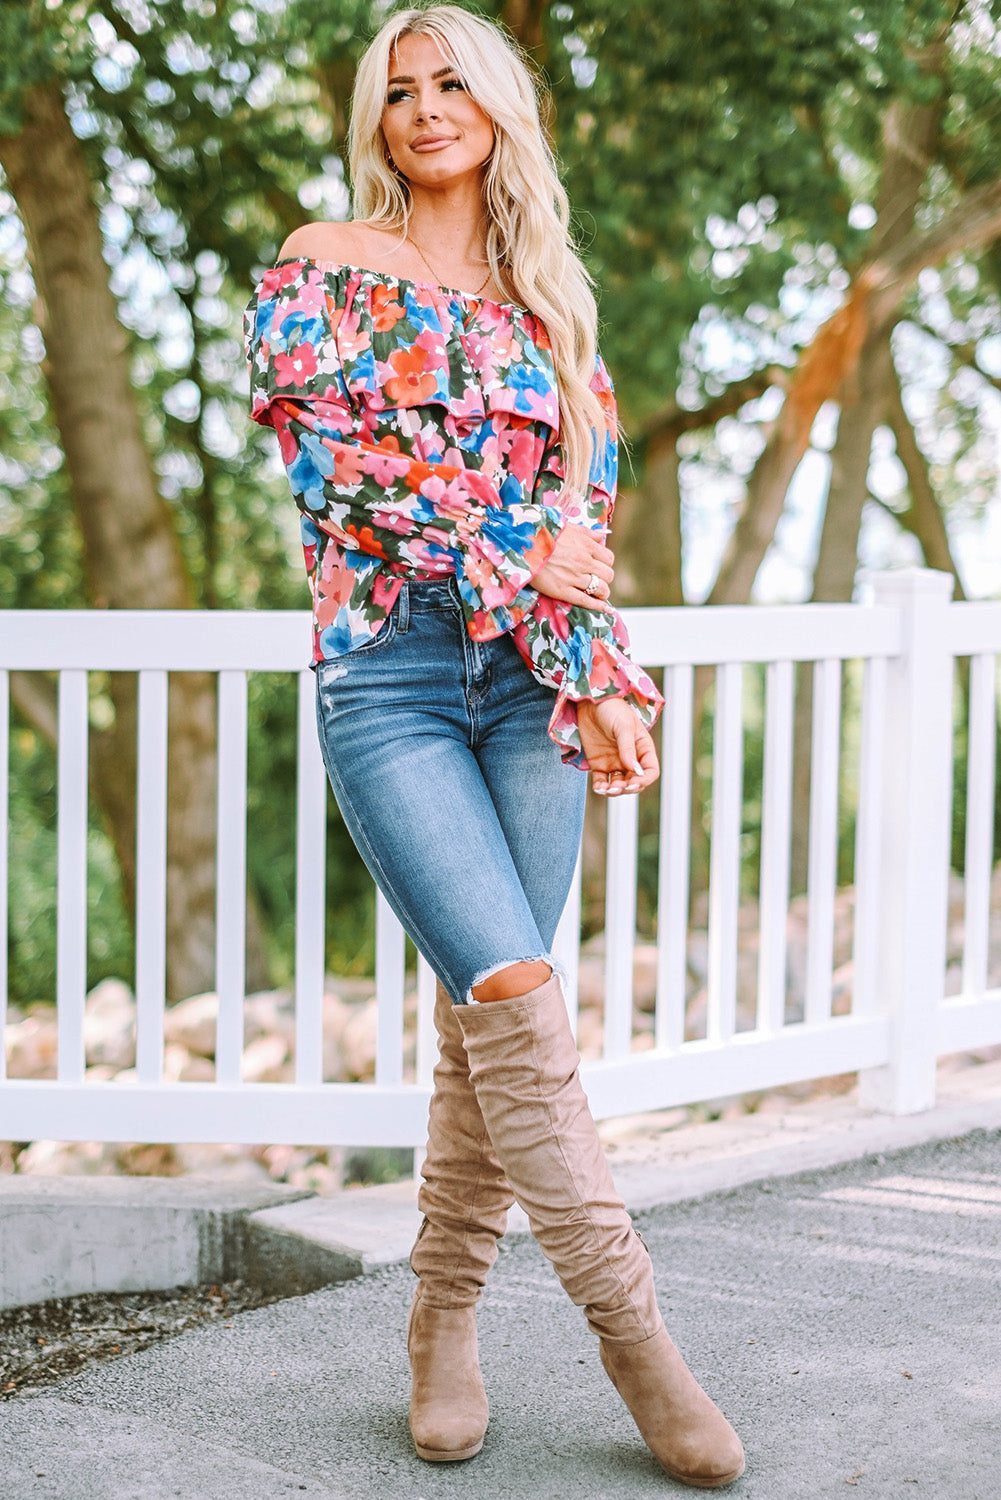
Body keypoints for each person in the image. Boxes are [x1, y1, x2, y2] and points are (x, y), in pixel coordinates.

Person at [244, 3, 744, 1487]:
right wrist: (531, 555)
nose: (424, 105)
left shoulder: (550, 309)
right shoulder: (325, 263)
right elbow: (346, 475)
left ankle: (440, 1317)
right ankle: (636, 1339)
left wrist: (599, 677)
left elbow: (581, 543)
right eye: (398, 89)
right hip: (389, 683)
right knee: (518, 996)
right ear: (373, 120)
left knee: (486, 1023)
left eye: (453, 79)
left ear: (501, 107)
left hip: (531, 693)